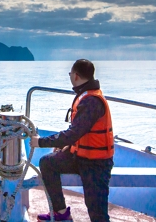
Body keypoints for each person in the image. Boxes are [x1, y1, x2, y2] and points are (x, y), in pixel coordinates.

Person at [30, 59, 114, 222]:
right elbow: (79, 132)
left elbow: (73, 133)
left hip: (96, 163)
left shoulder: (91, 101)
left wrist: (40, 142)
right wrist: (69, 145)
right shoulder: (86, 95)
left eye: (70, 74)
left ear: (75, 76)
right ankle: (61, 213)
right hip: (79, 156)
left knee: (96, 211)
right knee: (47, 163)